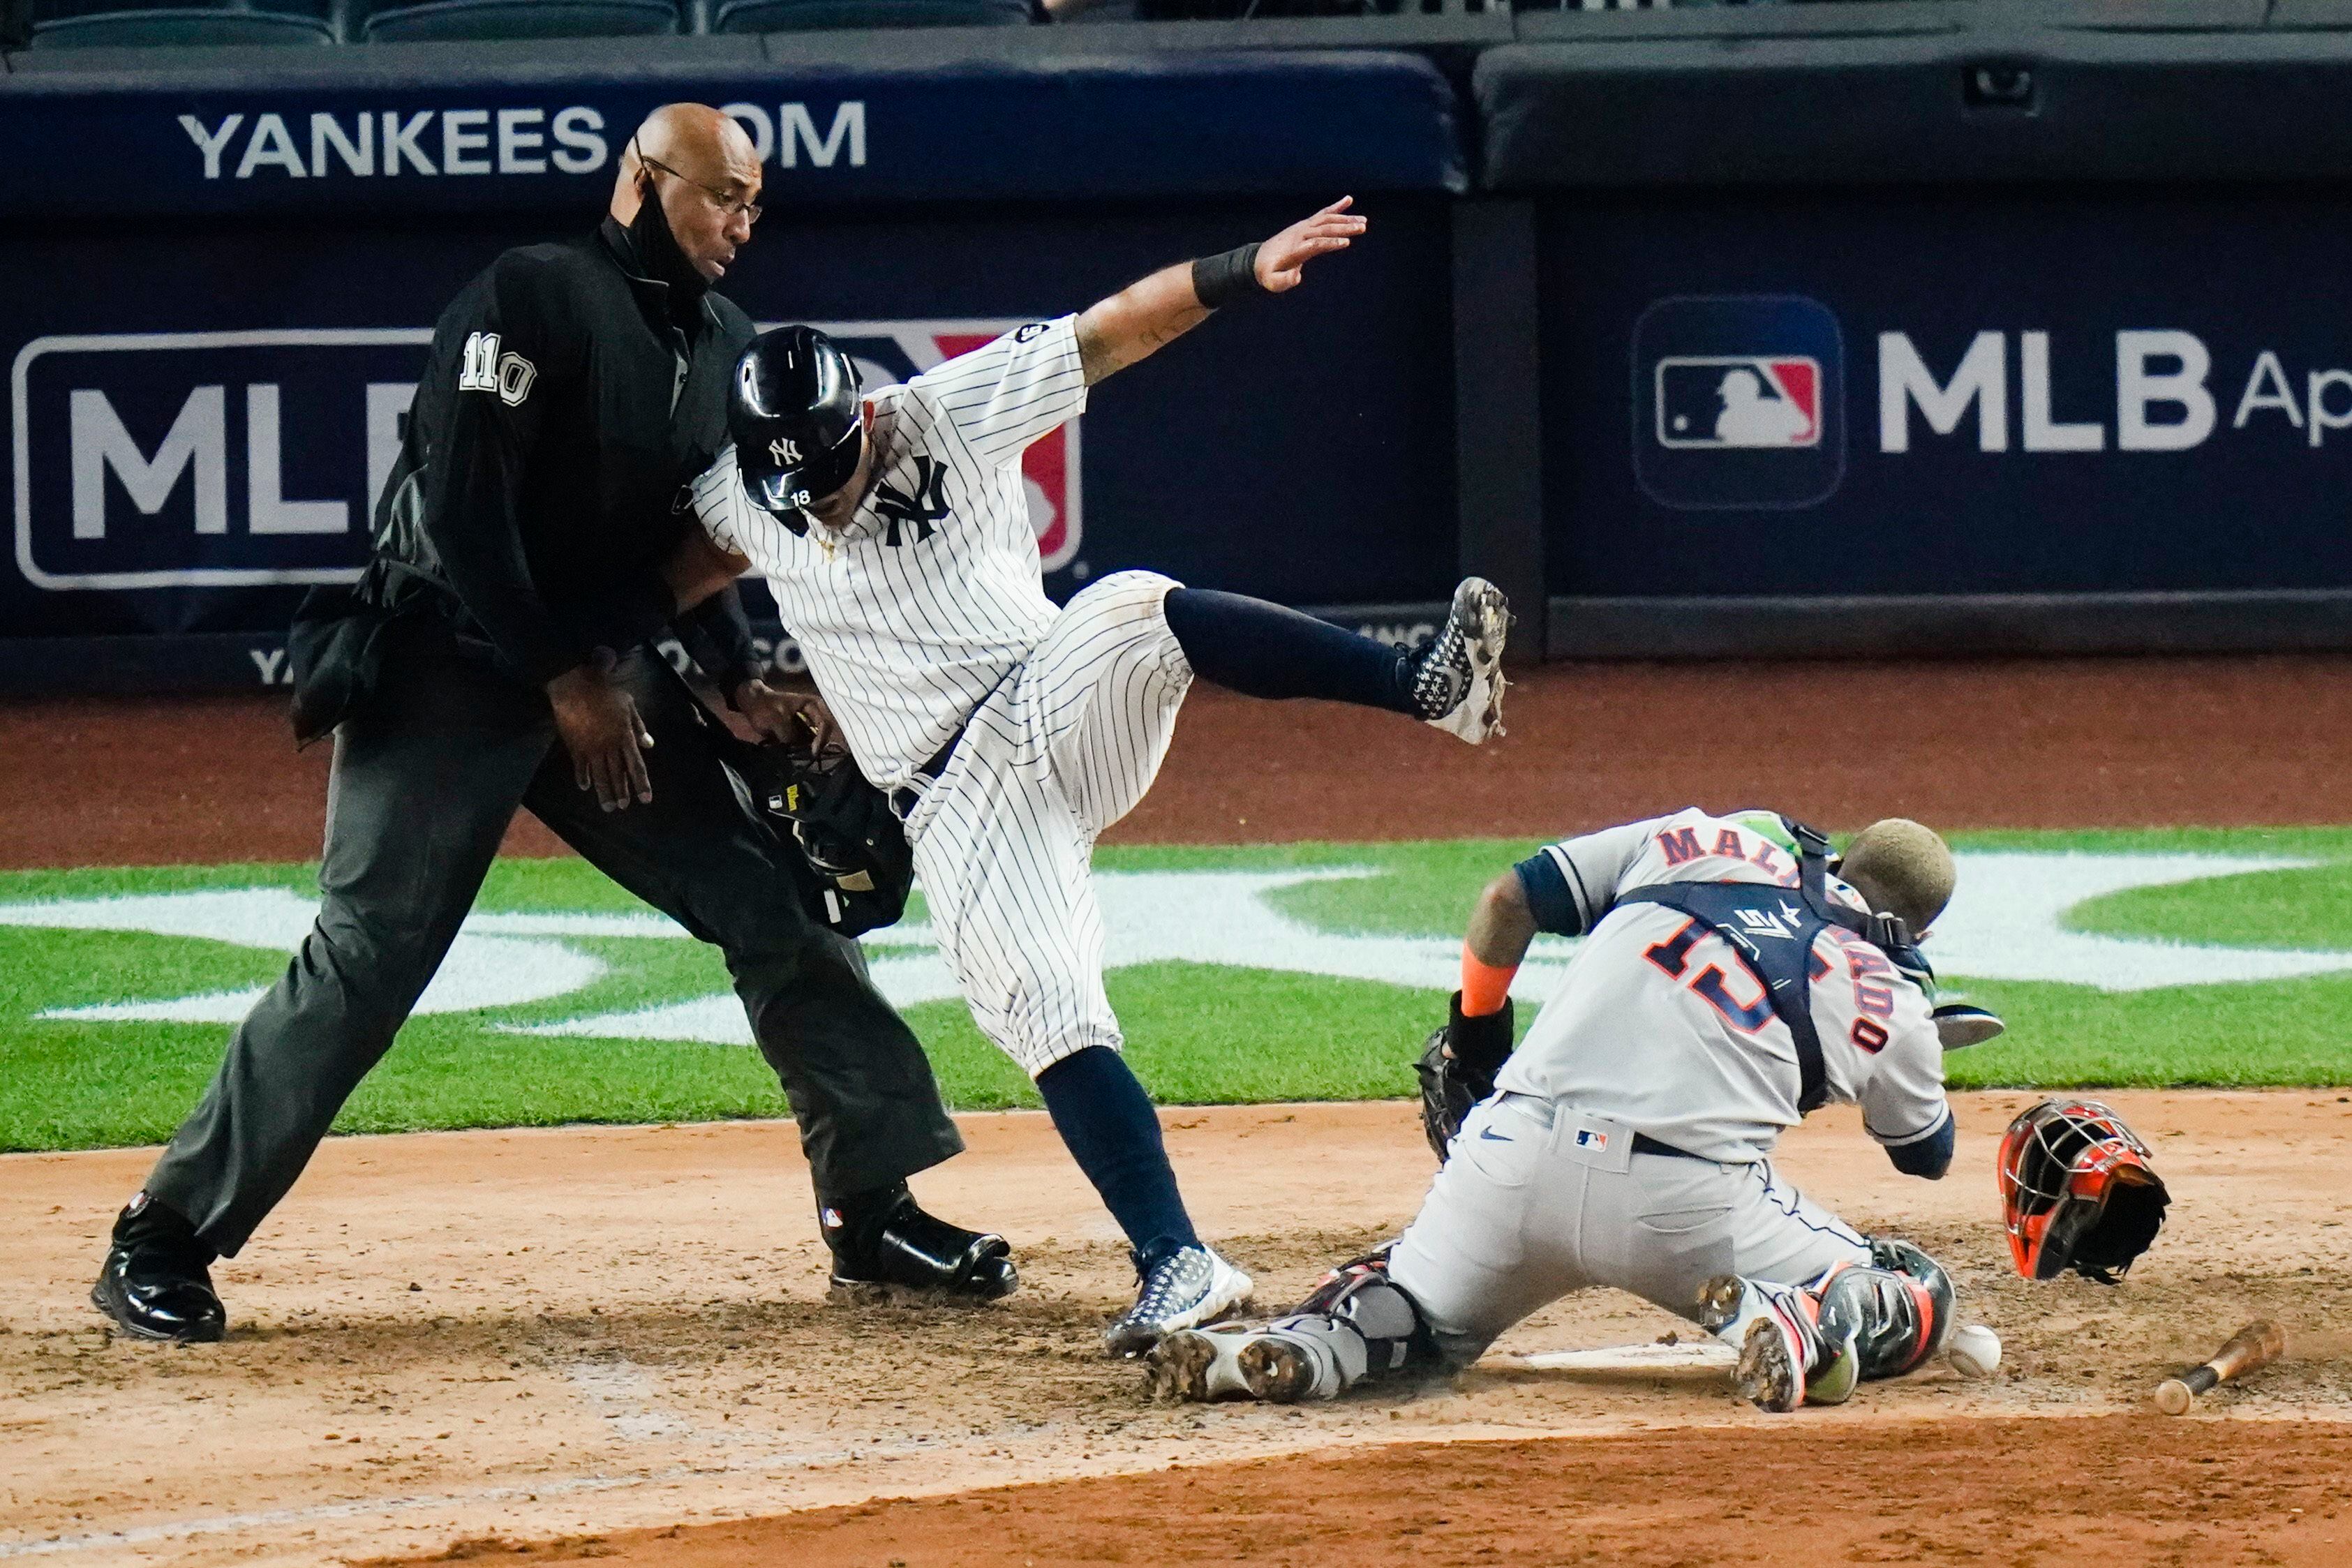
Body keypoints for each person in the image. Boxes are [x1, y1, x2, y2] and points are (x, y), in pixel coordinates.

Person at [91, 104, 1010, 1347]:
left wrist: (731, 682)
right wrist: (567, 680)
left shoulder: (725, 340)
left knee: (777, 900)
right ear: (644, 178)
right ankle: (164, 1232)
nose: (743, 222)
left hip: (598, 678)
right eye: (722, 194)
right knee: (371, 951)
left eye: (755, 204)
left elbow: (700, 543)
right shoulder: (534, 293)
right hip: (446, 662)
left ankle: (872, 1208)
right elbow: (468, 508)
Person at [664, 197, 1512, 1356]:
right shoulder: (748, 498)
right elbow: (668, 577)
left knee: (1125, 608)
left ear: (859, 414)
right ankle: (1180, 1261)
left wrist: (1243, 266)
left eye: (827, 467)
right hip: (951, 802)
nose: (815, 496)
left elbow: (1113, 330)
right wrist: (680, 685)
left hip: (1051, 693)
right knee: (1041, 998)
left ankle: (1427, 683)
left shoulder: (940, 413)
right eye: (789, 484)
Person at [1147, 809, 1976, 1411]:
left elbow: (1509, 901)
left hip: (1507, 1156)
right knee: (1912, 1283)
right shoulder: (1888, 995)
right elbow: (1924, 1153)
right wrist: (1913, 1029)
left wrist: (1475, 1046)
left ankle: (1305, 1346)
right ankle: (1797, 1323)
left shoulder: (1697, 839)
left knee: (1412, 1303)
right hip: (1686, 1213)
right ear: (1918, 928)